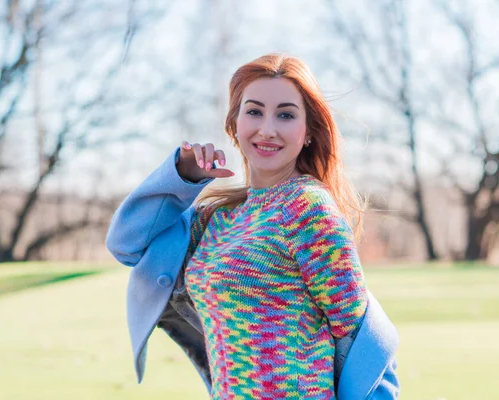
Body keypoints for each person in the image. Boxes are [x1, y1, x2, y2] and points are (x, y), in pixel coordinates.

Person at [106, 53, 399, 399]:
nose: (268, 129)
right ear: (234, 124)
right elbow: (127, 244)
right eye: (255, 111)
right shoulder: (216, 218)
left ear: (308, 132)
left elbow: (358, 337)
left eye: (286, 115)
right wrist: (180, 177)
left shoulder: (307, 209)